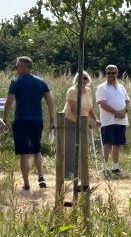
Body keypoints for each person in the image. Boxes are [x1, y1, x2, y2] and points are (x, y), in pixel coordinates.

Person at [1, 56, 56, 191]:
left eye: (18, 66)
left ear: (24, 67)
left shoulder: (16, 82)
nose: (16, 69)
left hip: (21, 120)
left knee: (24, 153)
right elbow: (50, 102)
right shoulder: (41, 82)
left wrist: (4, 120)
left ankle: (26, 184)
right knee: (37, 150)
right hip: (37, 120)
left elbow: (9, 102)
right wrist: (52, 120)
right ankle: (41, 176)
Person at [63, 72, 100, 178]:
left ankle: (79, 171)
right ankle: (68, 172)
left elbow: (90, 107)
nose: (83, 80)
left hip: (83, 122)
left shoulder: (88, 91)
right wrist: (82, 121)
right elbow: (73, 109)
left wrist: (95, 119)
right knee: (70, 147)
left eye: (85, 78)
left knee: (82, 147)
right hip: (70, 121)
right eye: (81, 78)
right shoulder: (72, 91)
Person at [96, 65, 130, 175]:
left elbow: (127, 101)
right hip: (108, 120)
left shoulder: (121, 87)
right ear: (106, 74)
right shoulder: (102, 87)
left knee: (117, 144)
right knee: (107, 143)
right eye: (109, 73)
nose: (111, 75)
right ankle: (104, 167)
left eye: (113, 73)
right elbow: (103, 104)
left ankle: (115, 167)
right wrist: (117, 113)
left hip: (121, 120)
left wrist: (124, 112)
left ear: (117, 73)